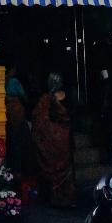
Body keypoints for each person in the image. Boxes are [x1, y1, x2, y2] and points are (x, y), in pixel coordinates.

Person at [31, 73, 75, 208]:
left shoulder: (47, 99)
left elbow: (40, 121)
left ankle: (62, 199)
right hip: (59, 139)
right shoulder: (47, 99)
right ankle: (61, 199)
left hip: (60, 139)